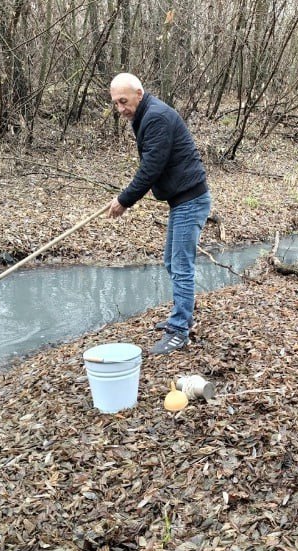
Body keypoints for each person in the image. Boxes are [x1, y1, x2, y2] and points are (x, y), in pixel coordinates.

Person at [108, 73, 212, 355]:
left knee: (180, 265)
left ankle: (179, 330)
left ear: (139, 93)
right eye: (116, 103)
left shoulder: (155, 117)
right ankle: (182, 312)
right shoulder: (145, 114)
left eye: (124, 101)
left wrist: (124, 200)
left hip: (190, 199)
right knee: (172, 261)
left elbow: (151, 168)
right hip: (182, 200)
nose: (121, 109)